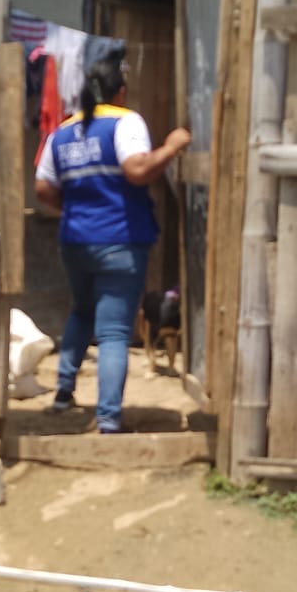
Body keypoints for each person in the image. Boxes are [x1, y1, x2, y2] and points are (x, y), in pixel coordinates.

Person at [35, 53, 190, 433]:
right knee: (115, 331)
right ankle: (108, 418)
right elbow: (137, 170)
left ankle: (63, 395)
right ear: (120, 91)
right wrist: (171, 147)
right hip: (120, 240)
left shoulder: (63, 131)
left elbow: (43, 188)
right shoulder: (125, 121)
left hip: (75, 241)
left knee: (81, 312)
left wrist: (76, 210)